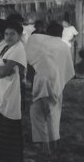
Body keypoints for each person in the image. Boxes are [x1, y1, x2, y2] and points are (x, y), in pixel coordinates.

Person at [27, 22, 74, 154]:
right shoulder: (63, 46)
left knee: (37, 111)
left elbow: (30, 61)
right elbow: (68, 69)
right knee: (52, 112)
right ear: (61, 33)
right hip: (55, 82)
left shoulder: (40, 43)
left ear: (47, 32)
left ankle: (44, 144)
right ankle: (52, 144)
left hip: (41, 81)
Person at [0, 21, 27, 162]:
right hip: (1, 92)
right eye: (6, 33)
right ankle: (2, 158)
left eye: (12, 34)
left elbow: (4, 71)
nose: (9, 36)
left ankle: (12, 161)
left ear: (19, 35)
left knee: (10, 125)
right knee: (1, 125)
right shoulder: (6, 48)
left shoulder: (18, 49)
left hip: (13, 92)